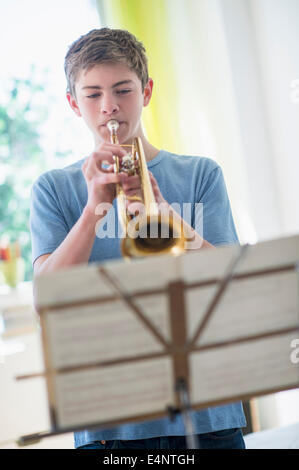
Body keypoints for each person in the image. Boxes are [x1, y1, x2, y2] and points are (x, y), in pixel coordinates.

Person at [30, 28, 246, 449]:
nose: (109, 106)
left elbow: (233, 287)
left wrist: (169, 219)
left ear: (146, 92)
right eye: (92, 94)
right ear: (74, 104)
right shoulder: (53, 188)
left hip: (209, 414)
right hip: (110, 425)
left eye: (122, 90)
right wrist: (95, 208)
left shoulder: (201, 174)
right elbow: (47, 302)